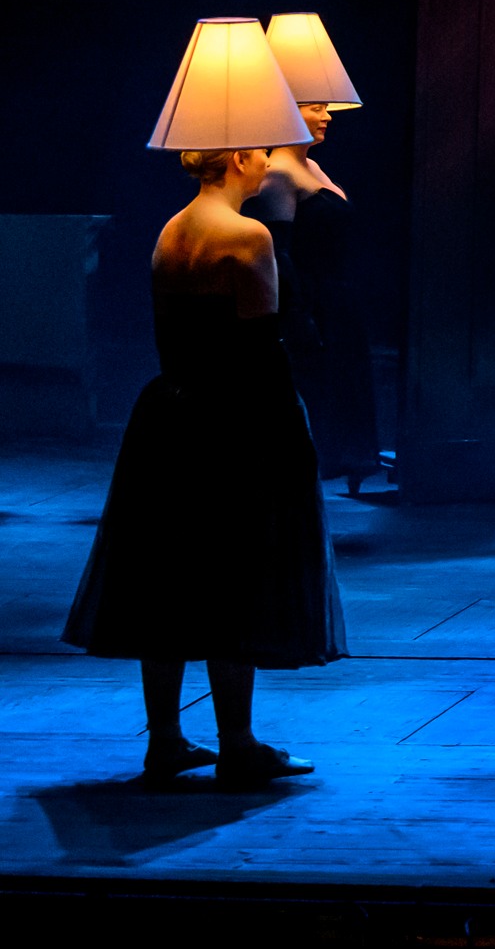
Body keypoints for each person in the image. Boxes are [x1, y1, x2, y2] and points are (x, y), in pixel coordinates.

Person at [65, 144, 342, 787]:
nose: (270, 161)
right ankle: (237, 743)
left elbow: (173, 333)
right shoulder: (248, 236)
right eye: (262, 151)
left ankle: (165, 740)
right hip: (234, 421)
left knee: (166, 577)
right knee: (233, 577)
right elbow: (260, 349)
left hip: (169, 416)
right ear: (239, 157)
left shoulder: (172, 229)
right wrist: (292, 433)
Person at [252, 99, 381, 497]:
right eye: (316, 107)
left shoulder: (310, 166)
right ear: (288, 111)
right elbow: (280, 252)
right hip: (313, 300)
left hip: (338, 296)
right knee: (319, 386)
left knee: (347, 382)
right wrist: (298, 314)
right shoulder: (278, 173)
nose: (327, 116)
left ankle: (350, 462)